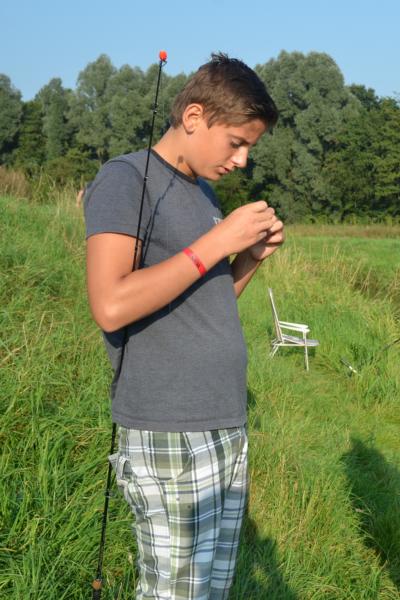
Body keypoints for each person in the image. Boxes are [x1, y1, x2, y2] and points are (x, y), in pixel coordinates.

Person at [83, 53, 281, 600]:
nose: (242, 160)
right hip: (169, 429)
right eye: (236, 143)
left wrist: (248, 259)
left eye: (249, 148)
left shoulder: (204, 193)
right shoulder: (125, 179)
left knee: (210, 589)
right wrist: (218, 242)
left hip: (224, 424)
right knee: (174, 593)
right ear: (194, 117)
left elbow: (204, 303)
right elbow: (110, 304)